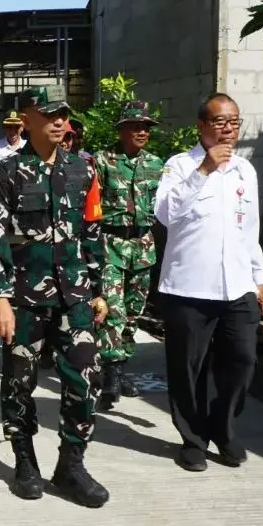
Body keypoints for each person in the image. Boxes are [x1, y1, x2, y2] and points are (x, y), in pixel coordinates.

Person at [0, 85, 110, 508]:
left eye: (64, 114)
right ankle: (25, 460)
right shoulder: (6, 172)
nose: (59, 121)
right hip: (23, 296)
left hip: (74, 296)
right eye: (50, 114)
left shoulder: (83, 170)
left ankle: (71, 464)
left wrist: (99, 289)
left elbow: (93, 232)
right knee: (20, 381)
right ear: (27, 118)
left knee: (85, 377)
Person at [155, 93, 263, 473]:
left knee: (243, 359)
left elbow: (249, 229)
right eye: (220, 122)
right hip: (189, 287)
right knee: (188, 368)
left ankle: (223, 425)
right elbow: (167, 214)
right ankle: (193, 439)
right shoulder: (178, 166)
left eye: (234, 122)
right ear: (201, 125)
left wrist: (259, 276)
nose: (228, 129)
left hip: (237, 285)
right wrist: (203, 169)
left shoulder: (245, 171)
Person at [93, 101, 165, 412]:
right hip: (111, 243)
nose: (142, 132)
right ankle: (110, 374)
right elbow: (91, 207)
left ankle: (121, 367)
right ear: (122, 130)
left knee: (134, 311)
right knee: (112, 310)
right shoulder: (102, 161)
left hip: (143, 246)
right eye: (135, 126)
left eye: (146, 127)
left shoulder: (156, 164)